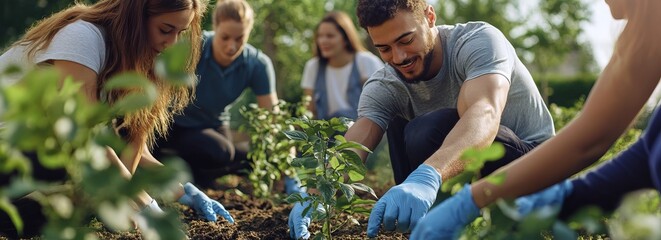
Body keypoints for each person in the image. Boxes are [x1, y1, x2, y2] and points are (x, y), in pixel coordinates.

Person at [288, 0, 556, 238]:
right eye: (384, 49)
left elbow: (484, 113)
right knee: (395, 118)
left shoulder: (477, 41)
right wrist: (315, 195)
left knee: (428, 127)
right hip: (465, 172)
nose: (399, 57)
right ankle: (416, 220)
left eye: (406, 40)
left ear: (430, 17)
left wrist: (428, 177)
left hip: (532, 165)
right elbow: (359, 138)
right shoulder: (384, 83)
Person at [410, 0, 661, 238]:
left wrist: (471, 200)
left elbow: (588, 141)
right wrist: (570, 196)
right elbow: (649, 150)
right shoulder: (646, 28)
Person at [0, 0, 234, 238]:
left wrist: (184, 192)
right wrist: (150, 210)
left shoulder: (130, 58)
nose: (172, 42)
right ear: (136, 17)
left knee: (96, 200)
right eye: (165, 30)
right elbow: (84, 138)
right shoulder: (82, 38)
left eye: (180, 33)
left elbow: (136, 149)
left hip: (28, 154)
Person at [154, 0, 278, 189]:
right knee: (216, 150)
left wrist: (285, 161)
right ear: (215, 27)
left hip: (210, 125)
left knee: (225, 154)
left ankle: (195, 173)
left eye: (239, 39)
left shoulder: (257, 64)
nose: (231, 46)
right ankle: (168, 163)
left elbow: (272, 118)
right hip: (172, 122)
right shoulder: (193, 47)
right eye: (225, 37)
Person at [300, 11, 383, 120]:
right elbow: (309, 112)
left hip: (362, 130)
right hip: (325, 134)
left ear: (346, 39)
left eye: (330, 36)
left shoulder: (366, 61)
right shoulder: (313, 67)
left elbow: (381, 107)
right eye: (320, 36)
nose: (322, 41)